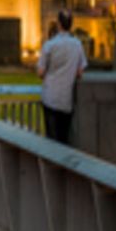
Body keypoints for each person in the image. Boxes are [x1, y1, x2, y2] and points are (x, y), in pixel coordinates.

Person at [36, 10, 86, 144]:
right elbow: (80, 71)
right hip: (67, 100)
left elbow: (40, 72)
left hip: (50, 97)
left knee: (51, 140)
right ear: (71, 24)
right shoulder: (77, 45)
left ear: (59, 24)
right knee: (63, 139)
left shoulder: (49, 45)